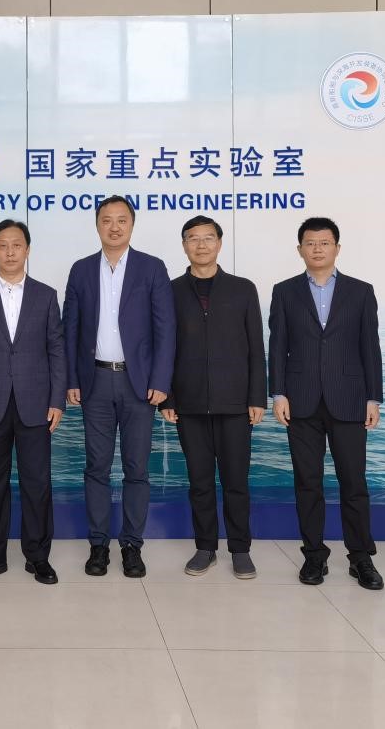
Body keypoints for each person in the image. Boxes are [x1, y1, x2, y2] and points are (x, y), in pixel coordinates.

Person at [269, 216, 385, 589]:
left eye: (324, 242)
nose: (317, 249)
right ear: (300, 249)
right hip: (300, 400)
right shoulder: (284, 291)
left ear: (337, 247)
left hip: (349, 399)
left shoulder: (361, 291)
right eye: (310, 243)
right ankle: (314, 556)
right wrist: (278, 393)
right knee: (308, 482)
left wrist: (373, 397)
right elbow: (278, 346)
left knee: (354, 482)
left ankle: (361, 557)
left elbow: (370, 346)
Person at [63, 195, 175, 578]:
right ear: (97, 225)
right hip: (94, 381)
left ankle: (131, 545)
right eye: (107, 220)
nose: (114, 226)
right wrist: (71, 379)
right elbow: (70, 329)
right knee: (96, 466)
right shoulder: (81, 270)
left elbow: (166, 329)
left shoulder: (152, 268)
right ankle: (98, 545)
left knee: (136, 468)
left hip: (138, 384)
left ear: (132, 224)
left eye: (121, 219)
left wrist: (161, 381)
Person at [0, 220, 66, 586]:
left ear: (27, 250)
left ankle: (38, 557)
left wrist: (57, 399)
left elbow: (56, 351)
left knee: (38, 484)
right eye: (3, 245)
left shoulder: (46, 295)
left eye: (16, 245)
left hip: (36, 403)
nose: (9, 251)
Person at [159, 216, 266, 579]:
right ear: (184, 245)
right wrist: (168, 398)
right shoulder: (170, 291)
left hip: (235, 403)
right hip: (188, 404)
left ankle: (240, 549)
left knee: (236, 482)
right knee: (200, 482)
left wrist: (256, 397)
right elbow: (164, 348)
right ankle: (205, 547)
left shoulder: (242, 289)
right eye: (193, 238)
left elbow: (256, 348)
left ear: (219, 243)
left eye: (208, 238)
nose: (201, 245)